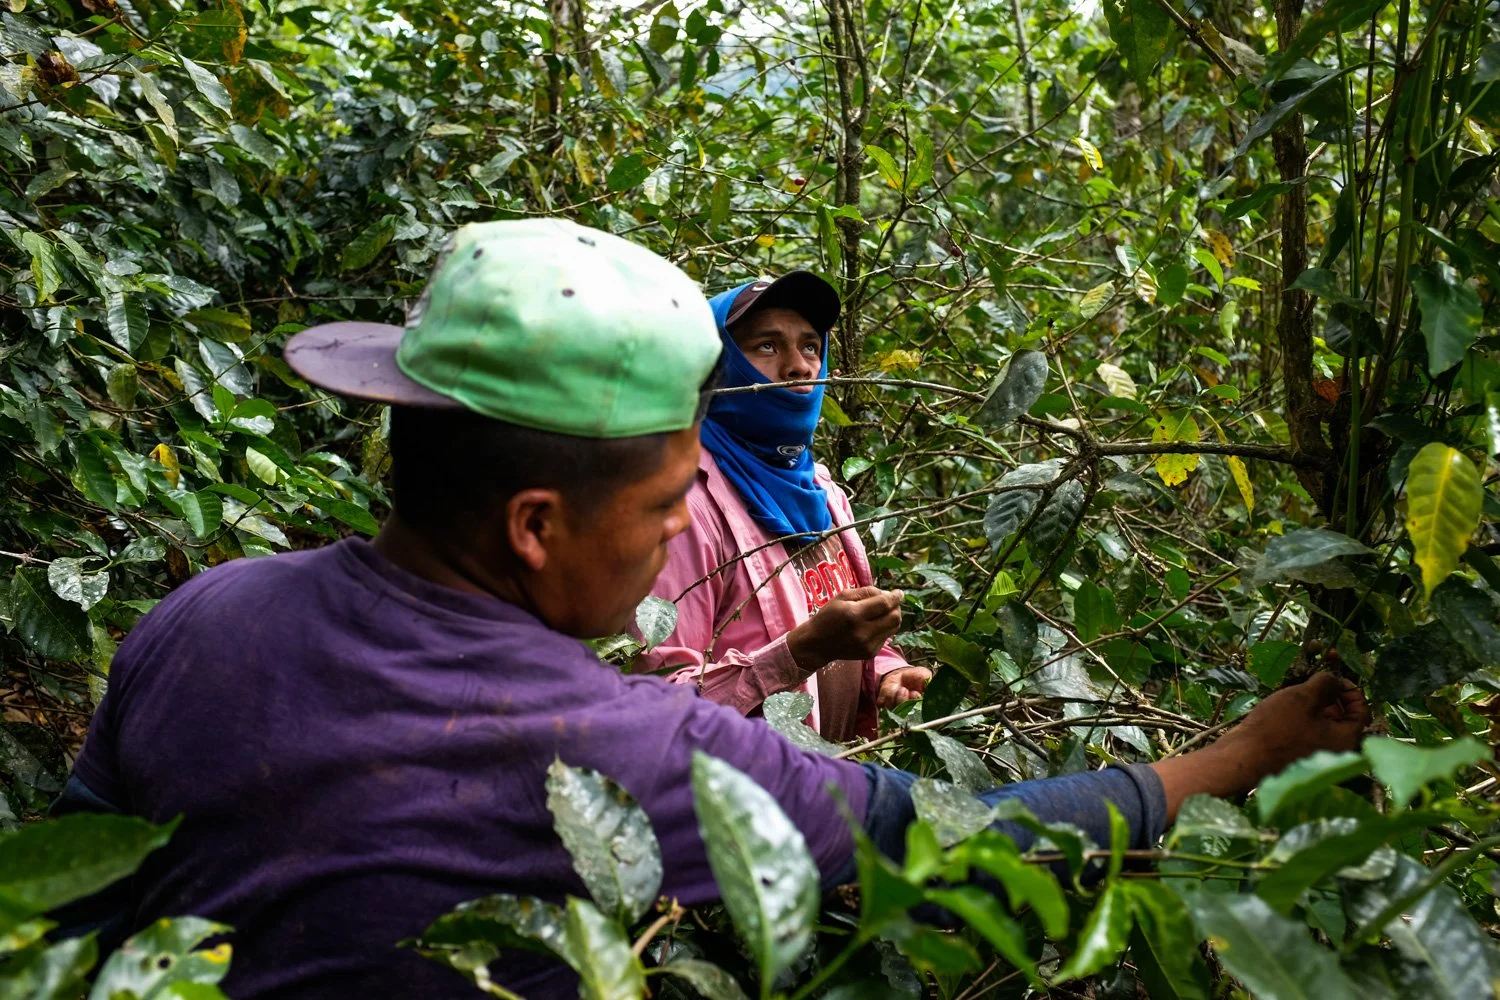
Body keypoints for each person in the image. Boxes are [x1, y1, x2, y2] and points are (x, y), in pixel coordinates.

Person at [51, 219, 1371, 999]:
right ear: (536, 527)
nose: (689, 526)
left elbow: (59, 905)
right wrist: (1240, 756)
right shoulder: (622, 752)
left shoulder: (195, 619)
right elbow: (957, 838)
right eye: (669, 498)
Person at [640, 272, 931, 741]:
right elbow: (655, 709)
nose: (799, 366)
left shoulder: (821, 491)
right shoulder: (683, 507)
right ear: (718, 366)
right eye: (767, 347)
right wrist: (801, 651)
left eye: (811, 346)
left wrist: (883, 671)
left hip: (821, 792)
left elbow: (839, 630)